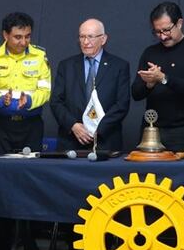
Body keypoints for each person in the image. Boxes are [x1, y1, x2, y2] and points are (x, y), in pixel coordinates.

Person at [131, 2, 184, 153]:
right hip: (151, 130)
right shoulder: (150, 52)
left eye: (166, 30)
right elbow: (135, 93)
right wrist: (149, 84)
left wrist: (163, 78)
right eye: (157, 32)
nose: (162, 36)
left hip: (183, 132)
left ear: (179, 23)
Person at [0, 12, 51, 155]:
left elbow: (45, 91)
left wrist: (29, 101)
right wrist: (0, 100)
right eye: (18, 37)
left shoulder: (40, 56)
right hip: (1, 125)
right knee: (0, 167)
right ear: (5, 35)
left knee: (31, 168)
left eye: (27, 36)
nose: (23, 42)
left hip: (31, 124)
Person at [51, 18, 130, 152]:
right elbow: (56, 101)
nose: (85, 42)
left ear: (103, 39)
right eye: (82, 37)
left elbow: (122, 104)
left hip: (106, 142)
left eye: (90, 37)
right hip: (71, 142)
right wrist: (73, 125)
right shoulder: (66, 66)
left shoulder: (119, 66)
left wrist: (98, 129)